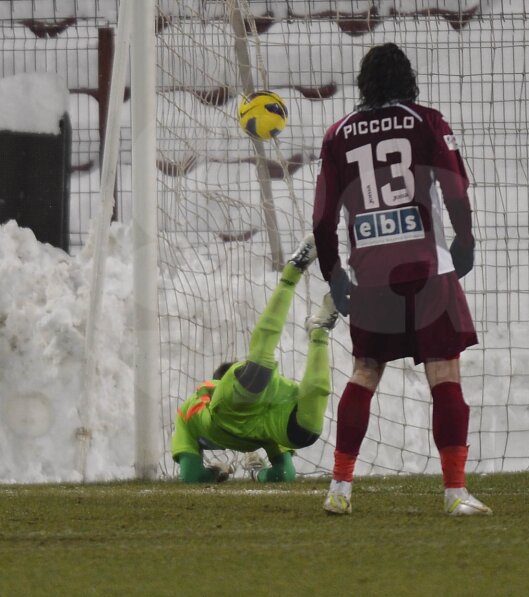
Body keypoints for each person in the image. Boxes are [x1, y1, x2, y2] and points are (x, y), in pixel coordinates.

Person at [312, 43, 488, 516]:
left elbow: (323, 219)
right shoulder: (427, 121)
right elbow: (454, 188)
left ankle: (340, 489)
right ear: (407, 81)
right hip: (428, 269)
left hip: (371, 273)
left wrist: (336, 277)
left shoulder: (338, 135)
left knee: (365, 371)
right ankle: (454, 493)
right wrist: (465, 241)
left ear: (363, 84)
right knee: (444, 372)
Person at [171, 235, 338, 483]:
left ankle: (293, 274)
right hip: (254, 417)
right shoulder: (194, 411)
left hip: (259, 409)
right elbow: (283, 474)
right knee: (304, 432)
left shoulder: (205, 397)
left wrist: (212, 474)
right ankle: (319, 331)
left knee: (266, 382)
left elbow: (191, 477)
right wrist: (255, 474)